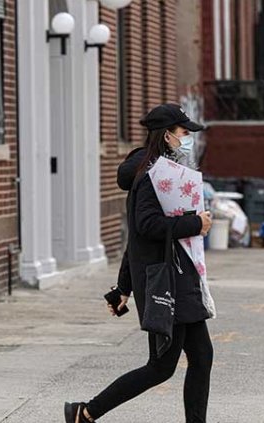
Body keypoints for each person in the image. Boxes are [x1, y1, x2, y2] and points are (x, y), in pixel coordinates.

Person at [65, 104, 214, 423]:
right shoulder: (151, 175)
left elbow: (137, 239)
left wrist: (123, 287)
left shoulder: (165, 172)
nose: (187, 138)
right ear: (167, 135)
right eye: (183, 132)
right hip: (167, 282)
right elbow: (145, 227)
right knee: (161, 367)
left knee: (202, 357)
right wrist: (194, 224)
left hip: (179, 277)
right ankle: (86, 412)